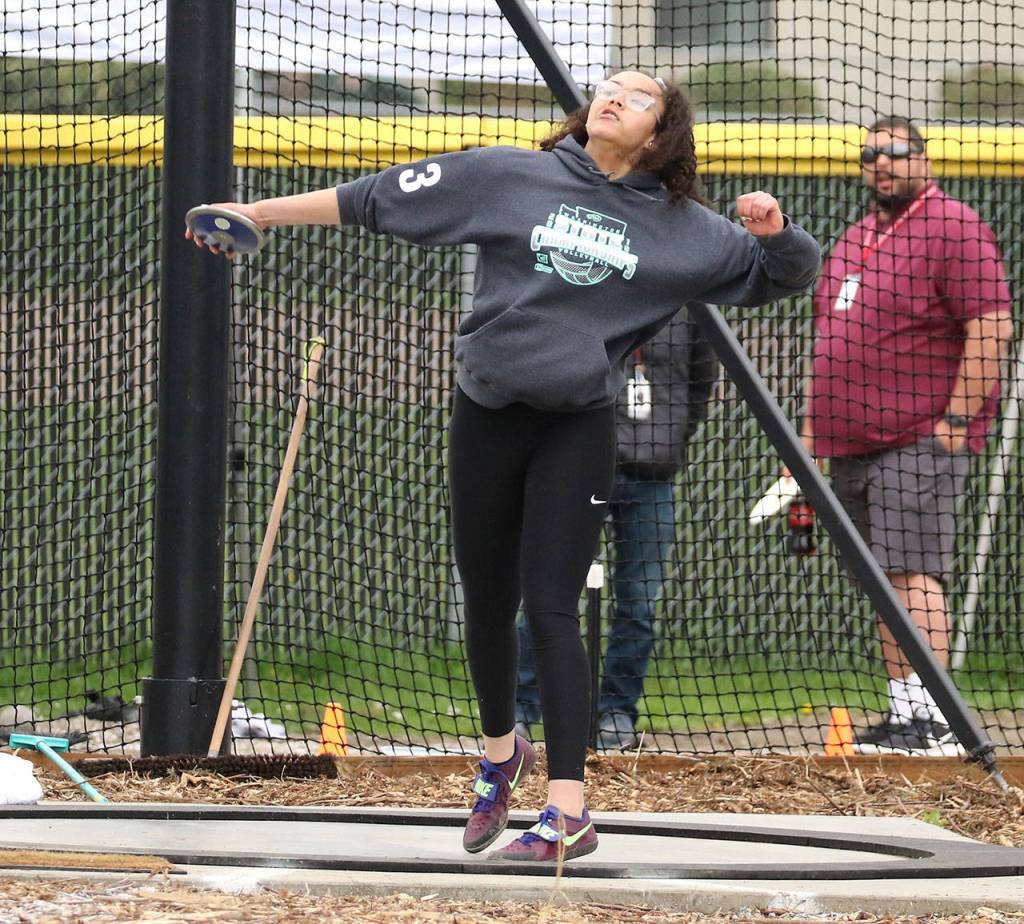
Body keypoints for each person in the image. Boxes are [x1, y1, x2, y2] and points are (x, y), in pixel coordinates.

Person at [188, 71, 820, 861]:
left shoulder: (685, 229)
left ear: (660, 138)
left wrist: (776, 229)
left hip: (577, 429)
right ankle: (499, 756)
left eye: (639, 96)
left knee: (551, 609)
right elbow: (375, 198)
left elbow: (788, 275)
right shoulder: (507, 174)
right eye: (609, 86)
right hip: (486, 415)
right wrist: (256, 213)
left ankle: (568, 812)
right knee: (487, 603)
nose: (615, 96)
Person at [789, 115, 1013, 755]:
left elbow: (992, 327)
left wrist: (954, 424)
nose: (879, 163)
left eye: (893, 151)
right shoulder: (859, 236)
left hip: (919, 437)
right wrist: (808, 435)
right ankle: (906, 712)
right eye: (869, 155)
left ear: (924, 160)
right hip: (851, 443)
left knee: (913, 572)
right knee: (884, 576)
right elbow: (828, 345)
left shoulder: (954, 226)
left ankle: (936, 719)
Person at [515, 306, 718, 750]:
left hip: (651, 477)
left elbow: (702, 381)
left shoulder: (687, 301)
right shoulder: (593, 285)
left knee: (639, 606)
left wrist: (671, 440)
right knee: (550, 594)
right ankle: (521, 711)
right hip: (582, 467)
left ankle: (616, 713)